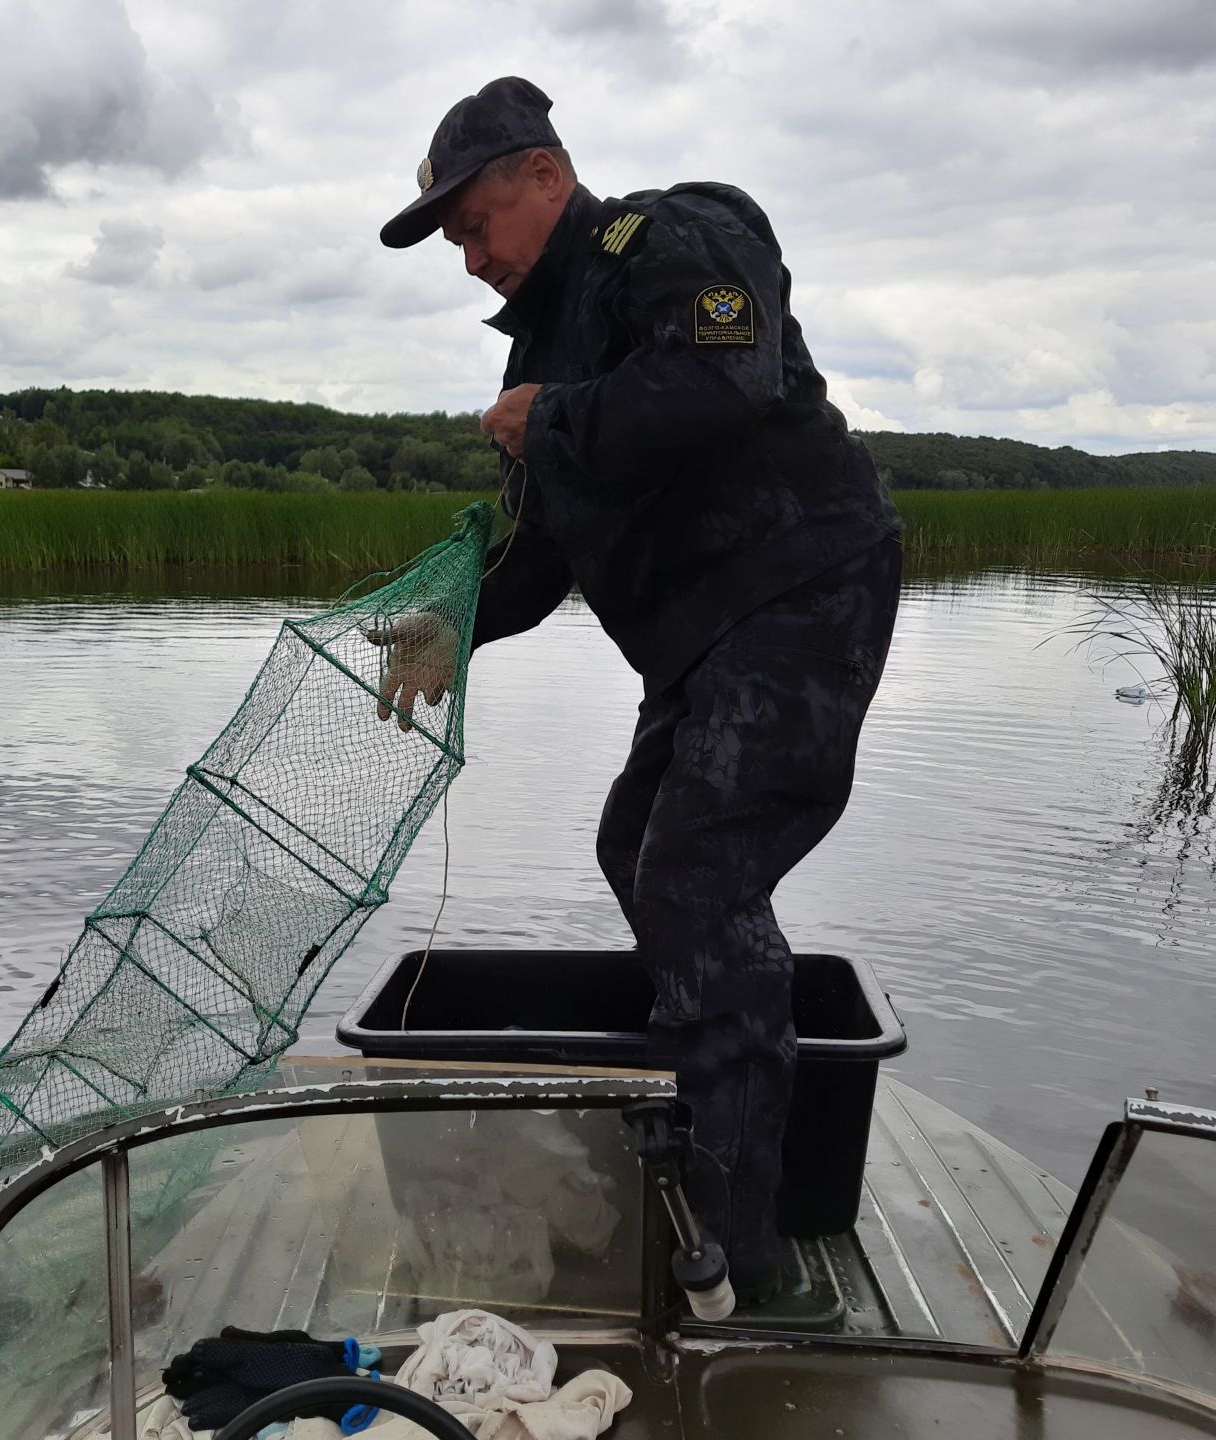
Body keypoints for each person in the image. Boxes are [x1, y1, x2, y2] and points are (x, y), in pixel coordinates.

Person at [370, 76, 903, 1301]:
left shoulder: (671, 236)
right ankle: (713, 1087)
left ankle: (744, 1248)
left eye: (473, 224)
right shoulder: (543, 354)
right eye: (449, 240)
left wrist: (548, 420)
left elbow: (728, 381)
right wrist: (452, 624)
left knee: (698, 875)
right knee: (637, 846)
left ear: (546, 178)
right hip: (707, 640)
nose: (467, 260)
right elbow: (540, 553)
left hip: (802, 590)